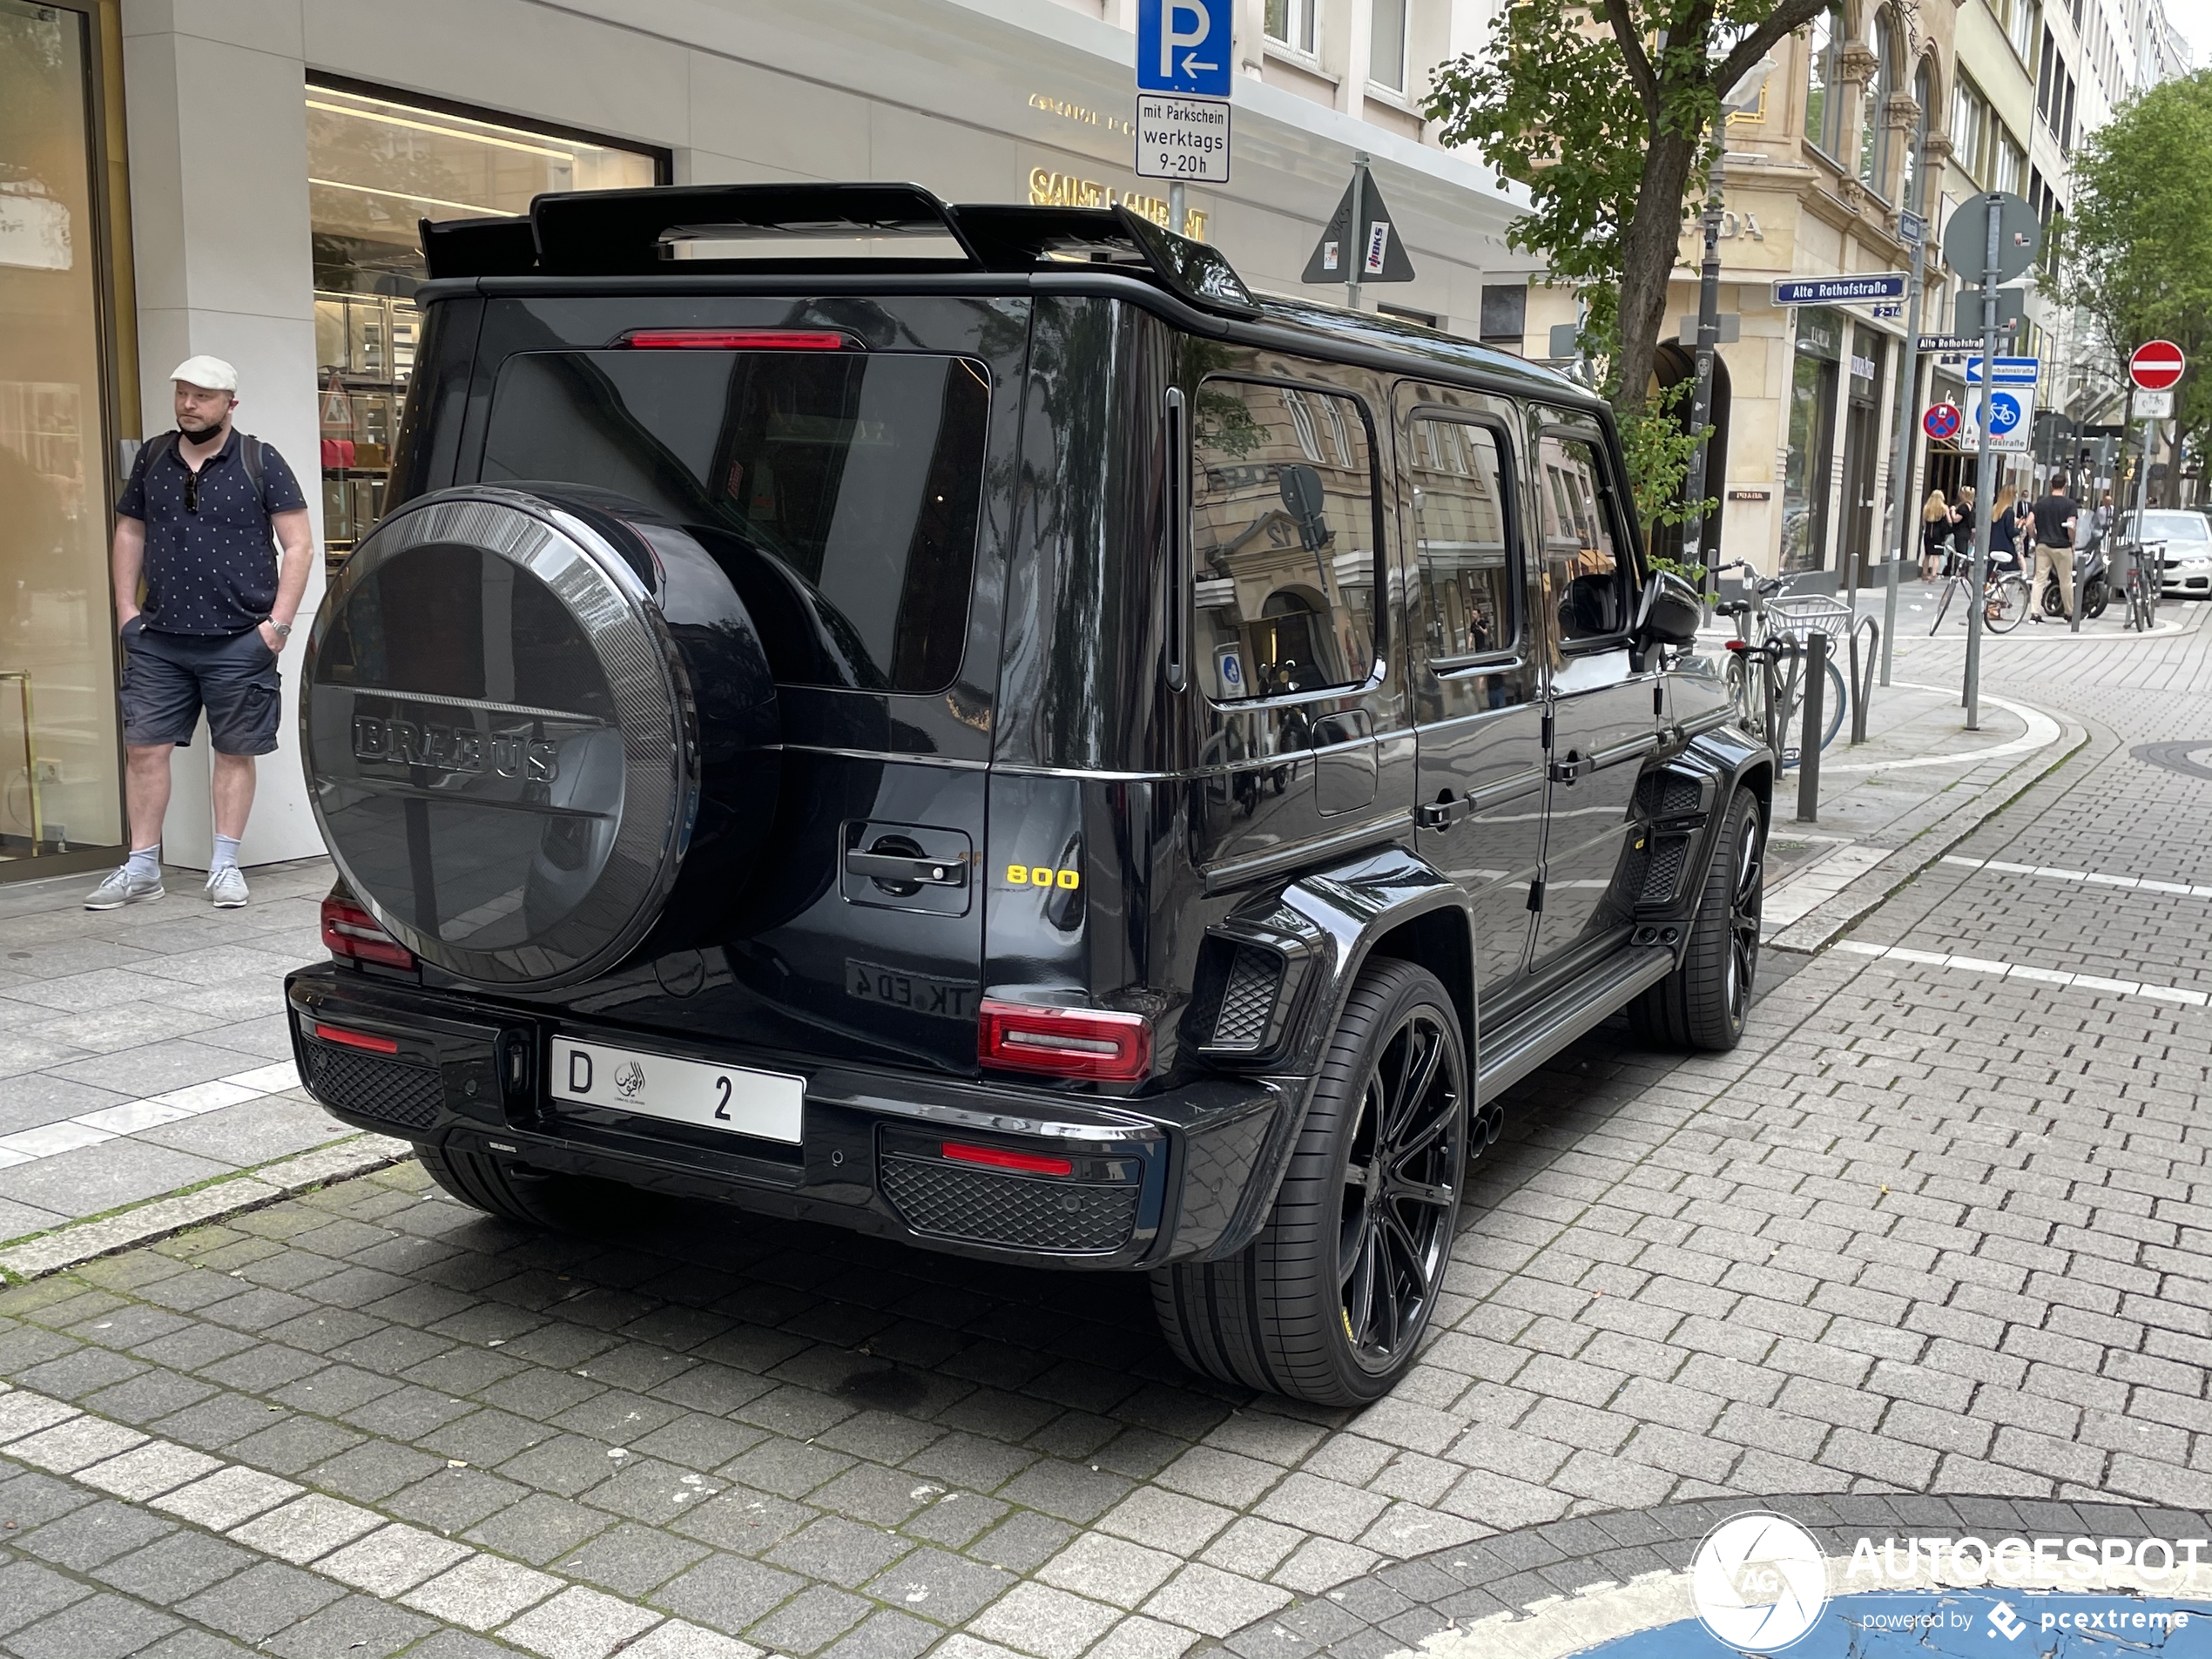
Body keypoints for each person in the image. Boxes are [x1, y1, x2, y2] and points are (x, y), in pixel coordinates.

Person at [85, 357, 313, 909]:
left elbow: (300, 545)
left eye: (202, 397)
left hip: (241, 637)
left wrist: (277, 626)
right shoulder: (154, 456)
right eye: (183, 394)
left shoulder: (262, 459)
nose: (189, 405)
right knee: (144, 749)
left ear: (230, 404)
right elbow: (130, 531)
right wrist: (124, 610)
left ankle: (225, 865)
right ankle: (142, 868)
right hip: (159, 637)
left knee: (234, 751)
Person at [2028, 470, 2079, 623]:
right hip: (2062, 546)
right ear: (2065, 486)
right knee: (2066, 580)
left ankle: (2034, 613)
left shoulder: (2040, 504)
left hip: (2043, 545)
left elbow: (2029, 523)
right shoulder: (2070, 505)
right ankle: (2069, 613)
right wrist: (2072, 542)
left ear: (2051, 485)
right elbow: (2072, 527)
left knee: (2039, 579)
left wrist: (2036, 538)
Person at [1920, 489, 1953, 580]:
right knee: (1936, 556)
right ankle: (1933, 574)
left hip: (1928, 532)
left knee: (1927, 555)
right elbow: (1950, 521)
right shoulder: (1944, 508)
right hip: (1939, 534)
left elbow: (1924, 523)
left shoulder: (1926, 507)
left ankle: (1924, 573)